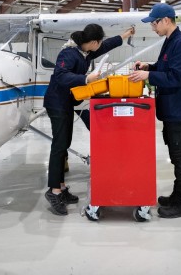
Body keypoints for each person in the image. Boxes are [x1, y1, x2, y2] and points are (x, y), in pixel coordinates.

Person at [44, 23, 135, 216]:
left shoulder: (85, 50)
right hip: (57, 103)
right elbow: (61, 76)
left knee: (64, 143)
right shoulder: (69, 53)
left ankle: (61, 186)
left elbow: (106, 45)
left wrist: (123, 36)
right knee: (59, 146)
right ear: (92, 41)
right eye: (98, 42)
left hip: (67, 102)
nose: (99, 46)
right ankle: (54, 192)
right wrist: (86, 79)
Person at [128, 3, 181, 219]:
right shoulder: (169, 41)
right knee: (176, 156)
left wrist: (148, 77)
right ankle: (178, 196)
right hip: (170, 110)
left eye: (155, 23)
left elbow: (176, 77)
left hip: (179, 110)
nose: (153, 27)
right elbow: (164, 66)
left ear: (166, 20)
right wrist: (150, 67)